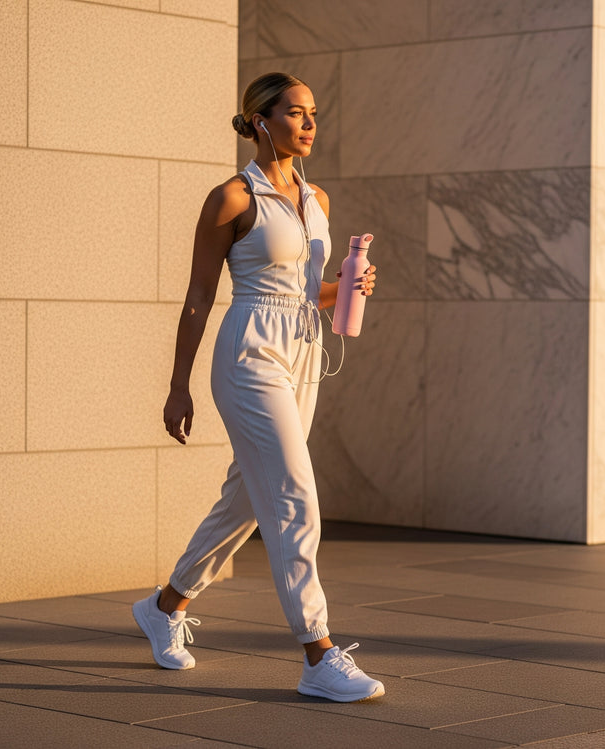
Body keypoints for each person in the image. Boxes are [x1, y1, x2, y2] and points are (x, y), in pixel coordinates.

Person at [131, 72, 384, 703]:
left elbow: (305, 289)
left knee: (247, 498)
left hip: (303, 351)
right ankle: (318, 653)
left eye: (314, 114)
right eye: (295, 113)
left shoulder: (316, 198)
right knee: (294, 493)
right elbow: (197, 297)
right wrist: (177, 386)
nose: (308, 124)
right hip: (248, 354)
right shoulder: (232, 198)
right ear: (260, 119)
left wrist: (346, 287)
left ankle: (164, 607)